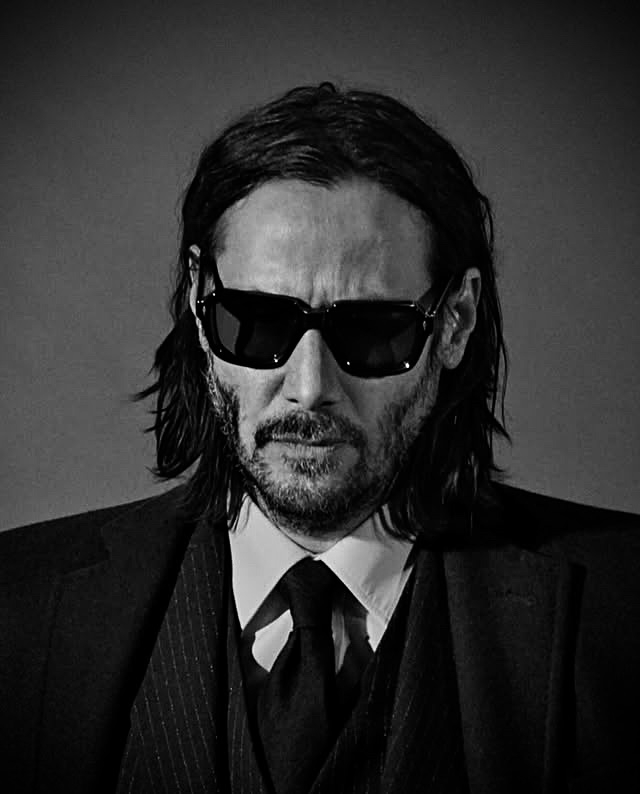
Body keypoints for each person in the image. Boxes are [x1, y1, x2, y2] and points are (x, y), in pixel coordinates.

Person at [1, 83, 638, 794]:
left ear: (455, 321)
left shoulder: (626, 616)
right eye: (258, 324)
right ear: (199, 303)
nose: (310, 387)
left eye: (371, 330)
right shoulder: (16, 611)